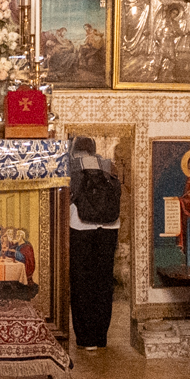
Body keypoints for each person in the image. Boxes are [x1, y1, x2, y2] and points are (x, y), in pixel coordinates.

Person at [67, 136, 121, 352]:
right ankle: (101, 337)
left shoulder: (72, 165)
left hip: (80, 226)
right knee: (104, 281)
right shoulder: (108, 165)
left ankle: (84, 338)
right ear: (94, 149)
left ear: (74, 148)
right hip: (109, 227)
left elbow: (69, 196)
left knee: (81, 282)